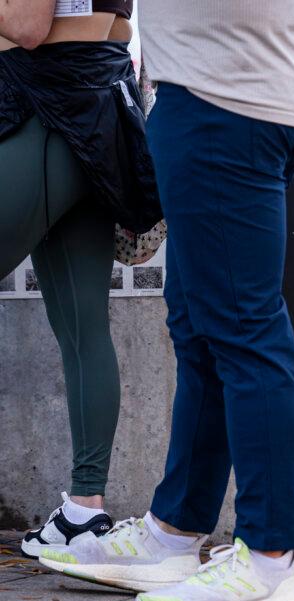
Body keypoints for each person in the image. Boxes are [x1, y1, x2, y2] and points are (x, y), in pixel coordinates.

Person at [37, 0, 294, 601]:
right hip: (236, 90)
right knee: (202, 330)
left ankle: (271, 560)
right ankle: (174, 533)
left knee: (244, 328)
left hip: (225, 98)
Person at [0, 1, 160, 558]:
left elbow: (27, 25)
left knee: (82, 326)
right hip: (94, 109)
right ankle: (83, 515)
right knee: (82, 325)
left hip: (44, 107)